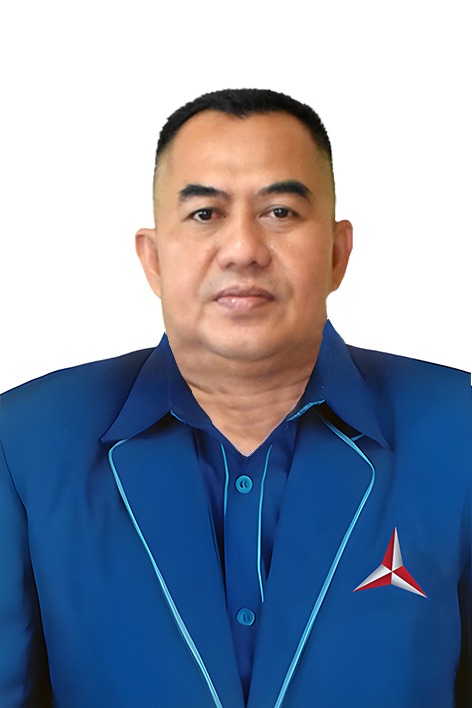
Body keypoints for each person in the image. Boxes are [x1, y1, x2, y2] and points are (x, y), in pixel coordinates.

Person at [0, 89, 470, 708]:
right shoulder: (27, 443)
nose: (244, 248)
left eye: (279, 211)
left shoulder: (457, 431)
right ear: (153, 259)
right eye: (205, 214)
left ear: (337, 253)